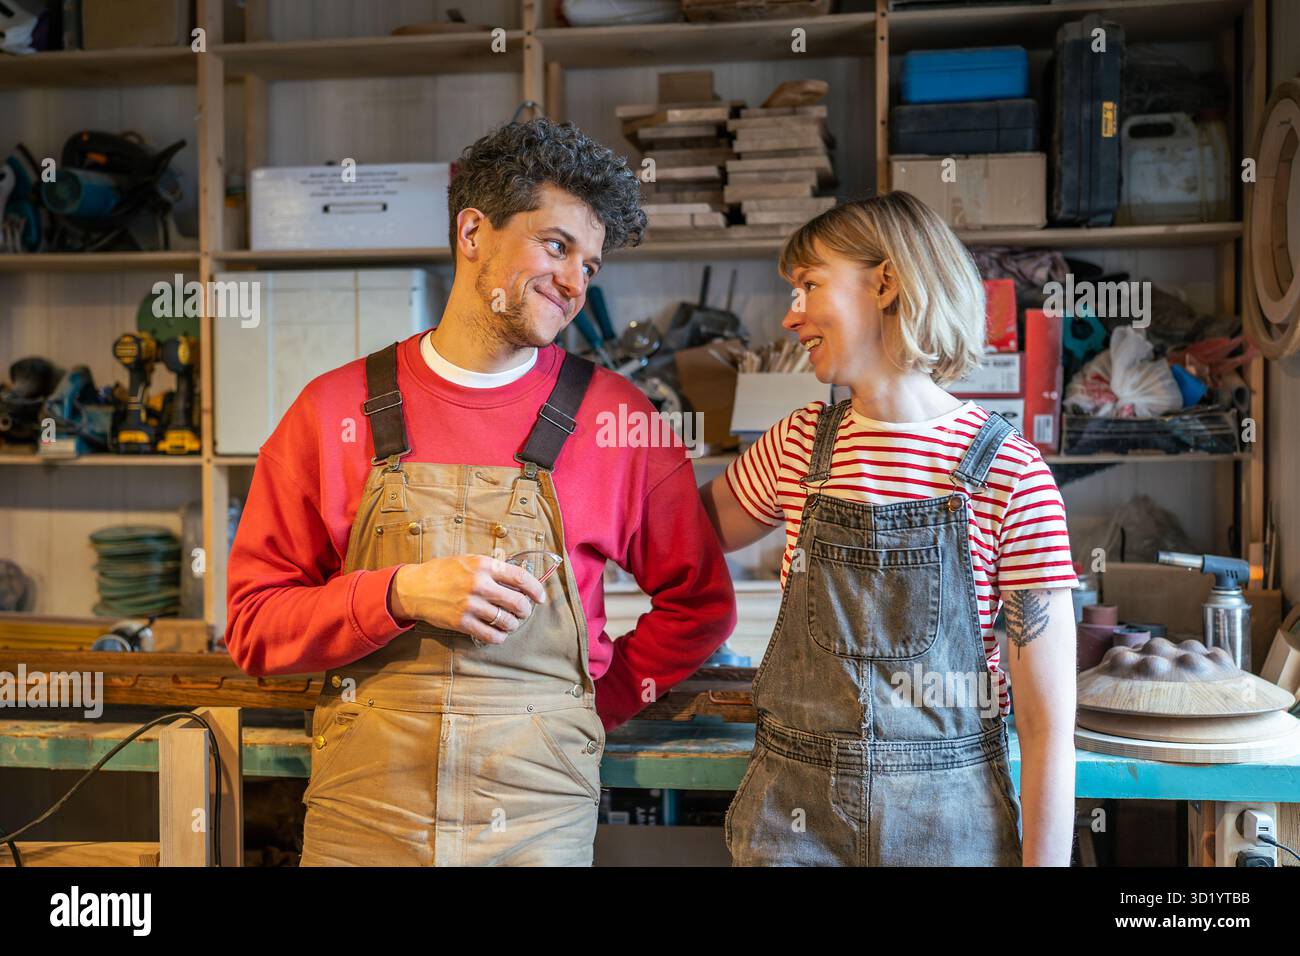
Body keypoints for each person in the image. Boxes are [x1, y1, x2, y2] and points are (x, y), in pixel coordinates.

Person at [225, 118, 737, 866]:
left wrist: (597, 702)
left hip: (536, 820)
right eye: (556, 246)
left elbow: (701, 605)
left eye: (590, 266)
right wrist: (397, 594)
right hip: (364, 817)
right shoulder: (331, 411)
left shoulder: (617, 418)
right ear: (473, 232)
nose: (574, 283)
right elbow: (254, 629)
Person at [700, 192, 1078, 866]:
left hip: (949, 825)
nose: (790, 316)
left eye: (809, 285)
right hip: (796, 824)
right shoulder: (797, 447)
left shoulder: (1008, 474)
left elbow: (1048, 727)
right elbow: (681, 533)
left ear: (887, 281)